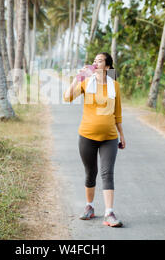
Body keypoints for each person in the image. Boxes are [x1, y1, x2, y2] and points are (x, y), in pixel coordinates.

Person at [63, 52, 126, 227]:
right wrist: (78, 78)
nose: (95, 63)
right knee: (91, 173)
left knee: (107, 173)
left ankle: (109, 213)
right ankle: (89, 207)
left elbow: (118, 113)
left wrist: (122, 134)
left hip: (109, 137)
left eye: (99, 61)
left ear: (107, 67)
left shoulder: (115, 86)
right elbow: (67, 97)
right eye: (94, 61)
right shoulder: (85, 83)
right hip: (87, 136)